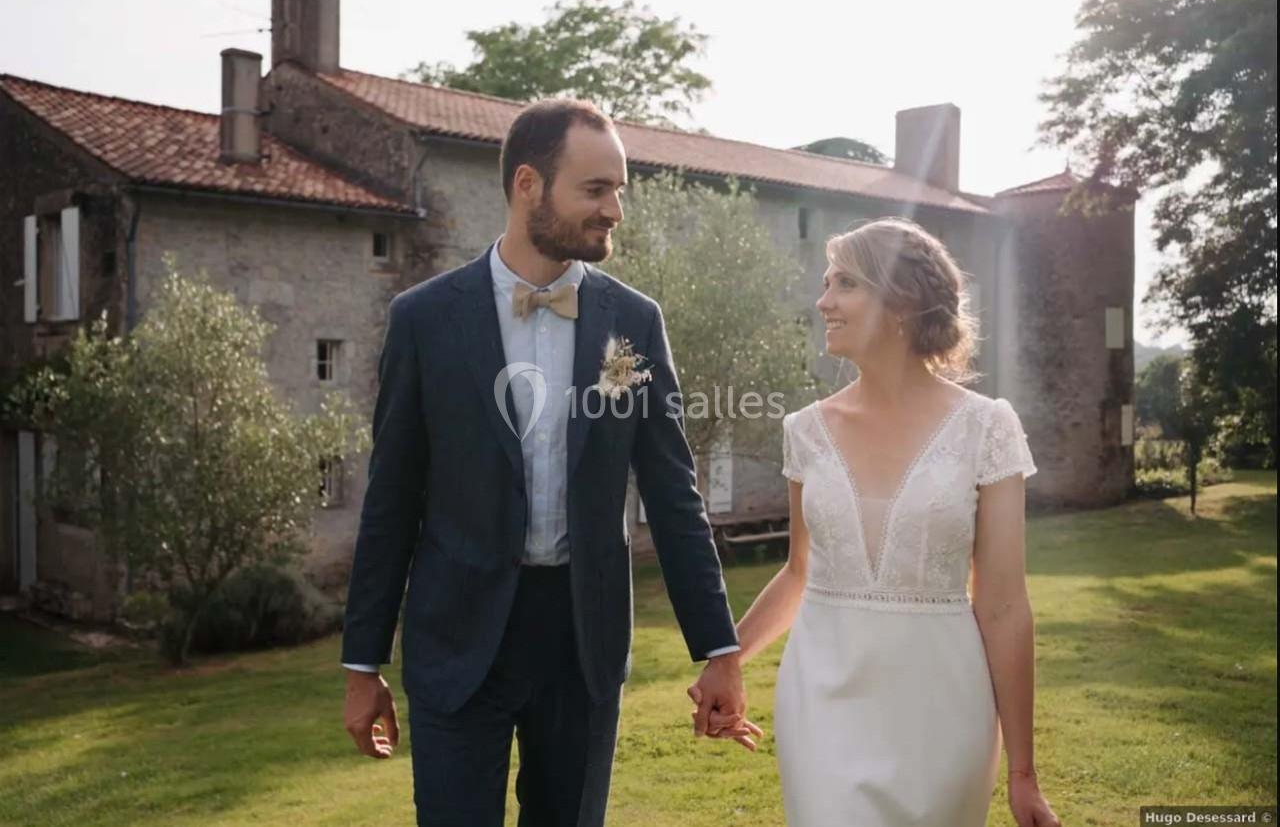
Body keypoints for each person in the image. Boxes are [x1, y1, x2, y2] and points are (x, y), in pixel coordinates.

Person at [341, 99, 750, 827]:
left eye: (619, 189)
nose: (614, 209)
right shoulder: (424, 319)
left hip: (582, 643)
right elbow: (392, 498)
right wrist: (362, 663)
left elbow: (673, 493)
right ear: (528, 184)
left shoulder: (634, 322)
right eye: (595, 189)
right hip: (457, 642)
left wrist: (719, 650)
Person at [693, 218, 1063, 826]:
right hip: (822, 706)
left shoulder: (987, 428)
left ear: (902, 302)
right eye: (826, 283)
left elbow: (1002, 606)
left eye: (845, 283)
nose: (823, 301)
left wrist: (1023, 774)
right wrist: (727, 659)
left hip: (944, 710)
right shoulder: (805, 431)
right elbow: (799, 572)